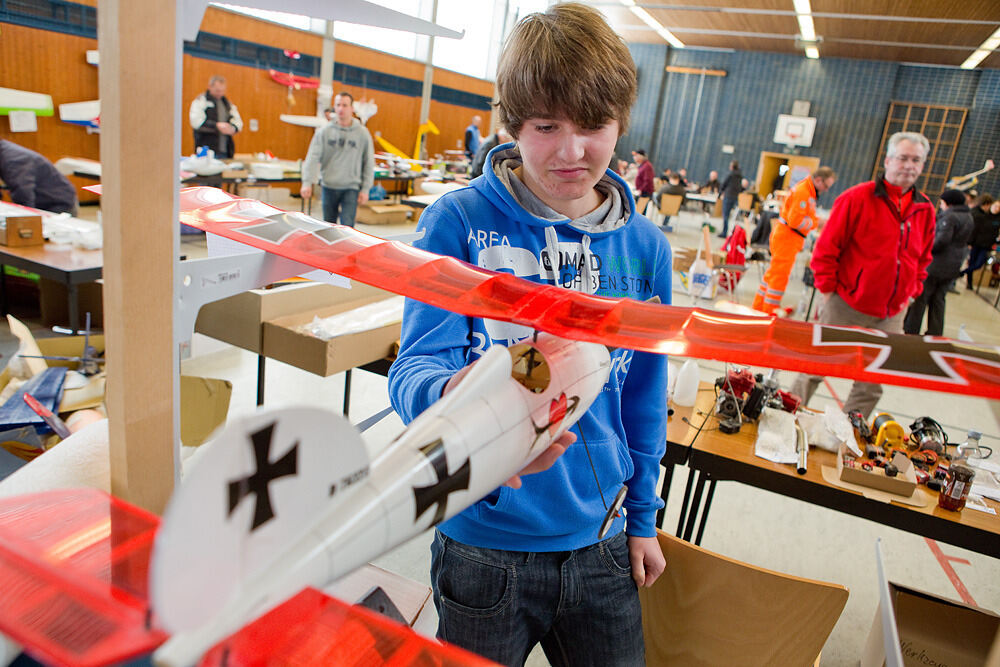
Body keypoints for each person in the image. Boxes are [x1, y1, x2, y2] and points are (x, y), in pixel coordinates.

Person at [388, 4, 670, 665]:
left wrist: (643, 517)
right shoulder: (455, 223)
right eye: (546, 127)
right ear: (513, 125)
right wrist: (458, 396)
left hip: (600, 541)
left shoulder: (646, 248)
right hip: (482, 544)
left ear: (621, 123)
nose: (572, 152)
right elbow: (412, 373)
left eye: (594, 126)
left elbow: (645, 401)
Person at [789, 132, 935, 420]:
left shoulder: (925, 209)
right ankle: (786, 415)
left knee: (872, 382)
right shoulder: (857, 198)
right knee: (815, 368)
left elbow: (923, 257)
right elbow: (826, 250)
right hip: (845, 304)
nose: (909, 165)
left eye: (916, 160)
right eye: (903, 158)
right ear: (888, 160)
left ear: (922, 165)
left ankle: (847, 433)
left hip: (891, 313)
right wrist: (830, 292)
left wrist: (912, 290)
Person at [752, 166, 836, 314]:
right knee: (779, 276)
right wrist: (817, 223)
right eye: (826, 186)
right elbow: (795, 221)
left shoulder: (807, 191)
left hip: (788, 237)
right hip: (787, 238)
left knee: (772, 273)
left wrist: (814, 220)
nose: (826, 190)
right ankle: (769, 311)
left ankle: (759, 307)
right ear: (818, 180)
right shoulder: (804, 192)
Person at [903, 189, 973, 336]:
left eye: (942, 203)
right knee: (939, 300)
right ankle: (935, 332)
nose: (940, 206)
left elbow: (942, 241)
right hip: (953, 264)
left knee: (921, 298)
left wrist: (924, 246)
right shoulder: (968, 217)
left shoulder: (950, 217)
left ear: (948, 203)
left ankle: (911, 330)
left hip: (936, 265)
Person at [300, 91, 375, 228]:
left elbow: (369, 162)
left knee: (348, 228)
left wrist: (365, 189)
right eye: (338, 105)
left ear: (352, 108)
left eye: (345, 105)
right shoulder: (324, 132)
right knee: (328, 228)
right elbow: (312, 157)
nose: (341, 108)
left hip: (351, 188)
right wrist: (307, 182)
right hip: (329, 186)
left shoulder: (362, 134)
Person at [0, 140, 78, 214]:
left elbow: (23, 194)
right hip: (43, 202)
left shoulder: (14, 159)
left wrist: (26, 221)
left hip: (57, 204)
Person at [189, 75, 243, 159]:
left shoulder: (227, 104)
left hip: (225, 151)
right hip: (206, 150)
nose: (220, 93)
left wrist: (233, 128)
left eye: (222, 91)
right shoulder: (201, 100)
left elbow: (238, 121)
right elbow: (196, 122)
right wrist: (216, 126)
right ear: (210, 87)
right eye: (217, 90)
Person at [961, 194, 999, 289]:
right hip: (976, 243)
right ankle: (969, 283)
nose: (996, 208)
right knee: (972, 262)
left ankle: (961, 273)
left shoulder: (998, 219)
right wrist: (970, 242)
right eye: (995, 206)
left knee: (978, 264)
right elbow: (975, 230)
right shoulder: (983, 215)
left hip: (987, 245)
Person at [718, 160, 743, 238]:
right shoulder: (740, 176)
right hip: (736, 196)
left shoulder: (730, 175)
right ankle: (734, 233)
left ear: (732, 167)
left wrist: (720, 193)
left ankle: (724, 232)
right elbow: (740, 187)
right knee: (735, 216)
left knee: (726, 215)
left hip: (728, 196)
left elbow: (724, 184)